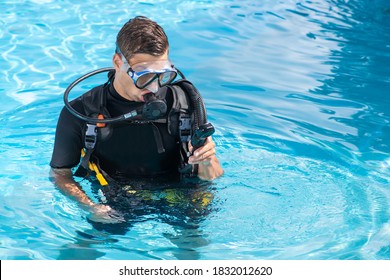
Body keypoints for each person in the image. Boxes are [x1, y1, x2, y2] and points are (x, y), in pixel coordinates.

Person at [50, 16, 223, 221]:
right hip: (115, 198)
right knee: (86, 247)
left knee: (193, 245)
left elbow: (212, 177)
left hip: (179, 191)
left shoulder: (185, 102)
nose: (154, 87)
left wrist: (207, 160)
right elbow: (60, 175)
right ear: (118, 62)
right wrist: (90, 206)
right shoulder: (82, 112)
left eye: (163, 75)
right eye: (144, 76)